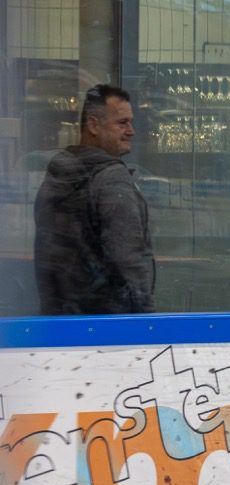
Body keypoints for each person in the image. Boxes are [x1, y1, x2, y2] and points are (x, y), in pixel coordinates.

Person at [33, 83, 155, 315]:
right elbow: (129, 260)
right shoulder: (111, 179)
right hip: (108, 324)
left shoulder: (57, 175)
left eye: (131, 122)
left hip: (58, 320)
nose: (131, 131)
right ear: (93, 125)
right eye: (122, 123)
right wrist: (147, 319)